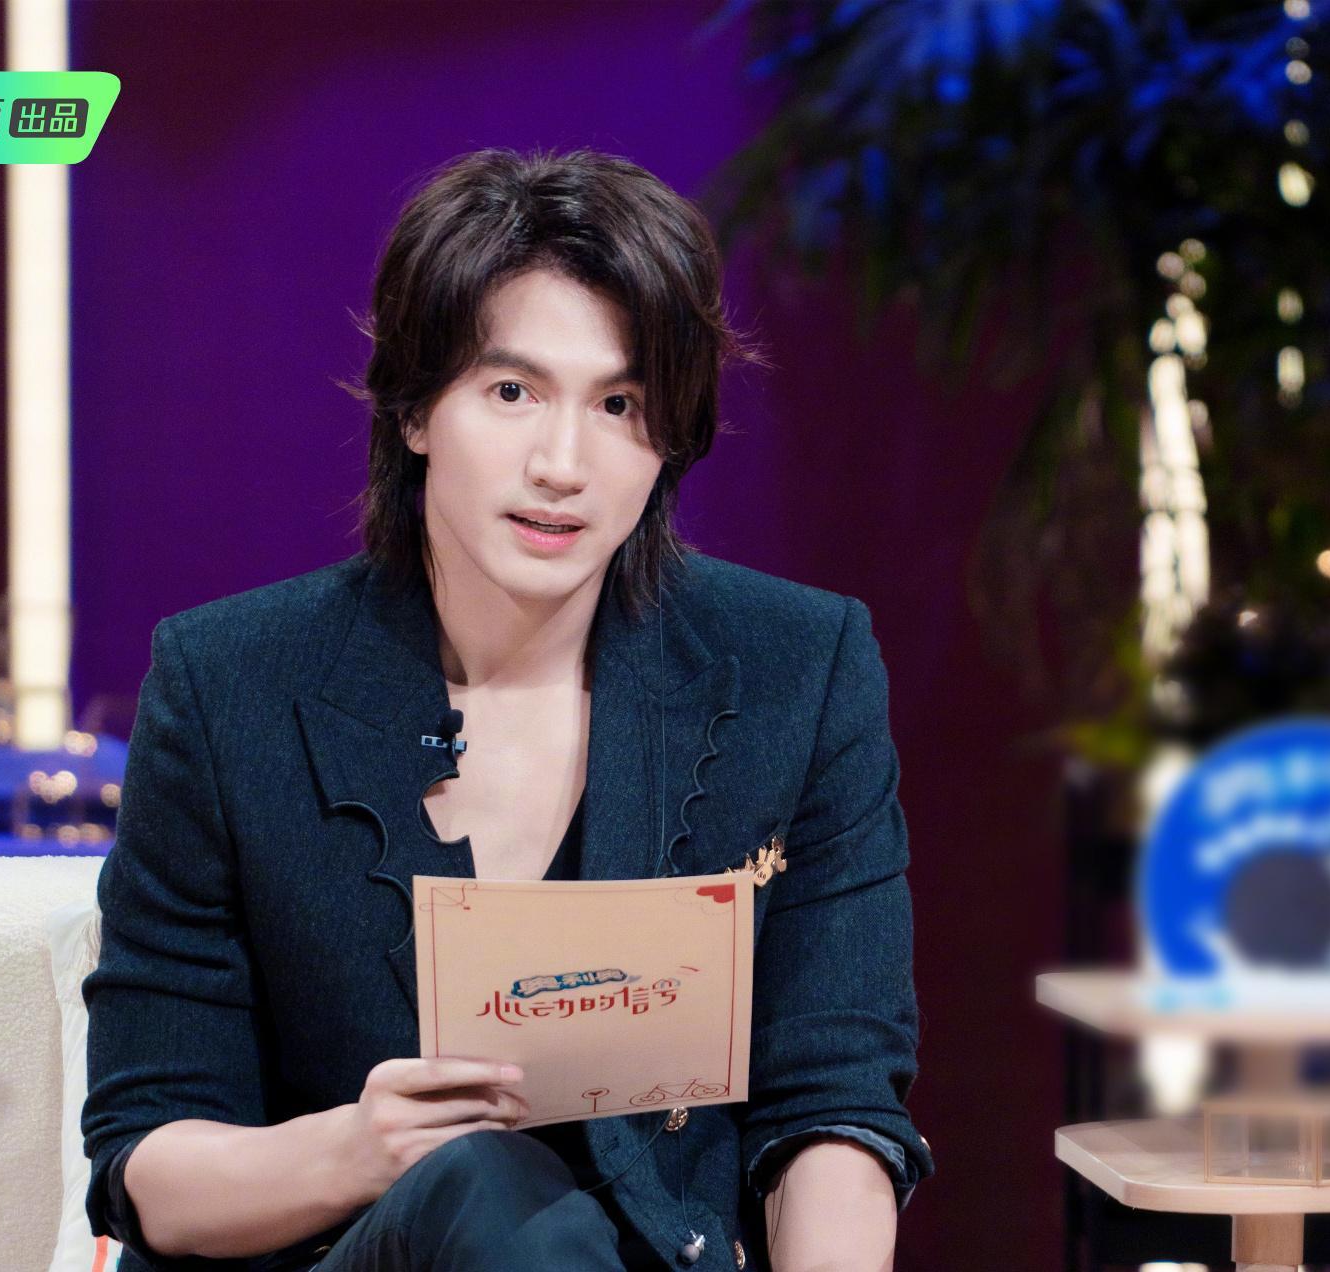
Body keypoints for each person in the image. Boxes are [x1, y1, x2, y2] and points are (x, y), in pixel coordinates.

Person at [80, 148, 933, 1272]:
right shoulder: (229, 683)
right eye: (512, 392)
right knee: (484, 1183)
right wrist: (360, 1149)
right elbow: (147, 1164)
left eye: (619, 404)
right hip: (355, 1252)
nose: (562, 464)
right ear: (415, 409)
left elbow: (834, 1108)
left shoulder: (796, 669)